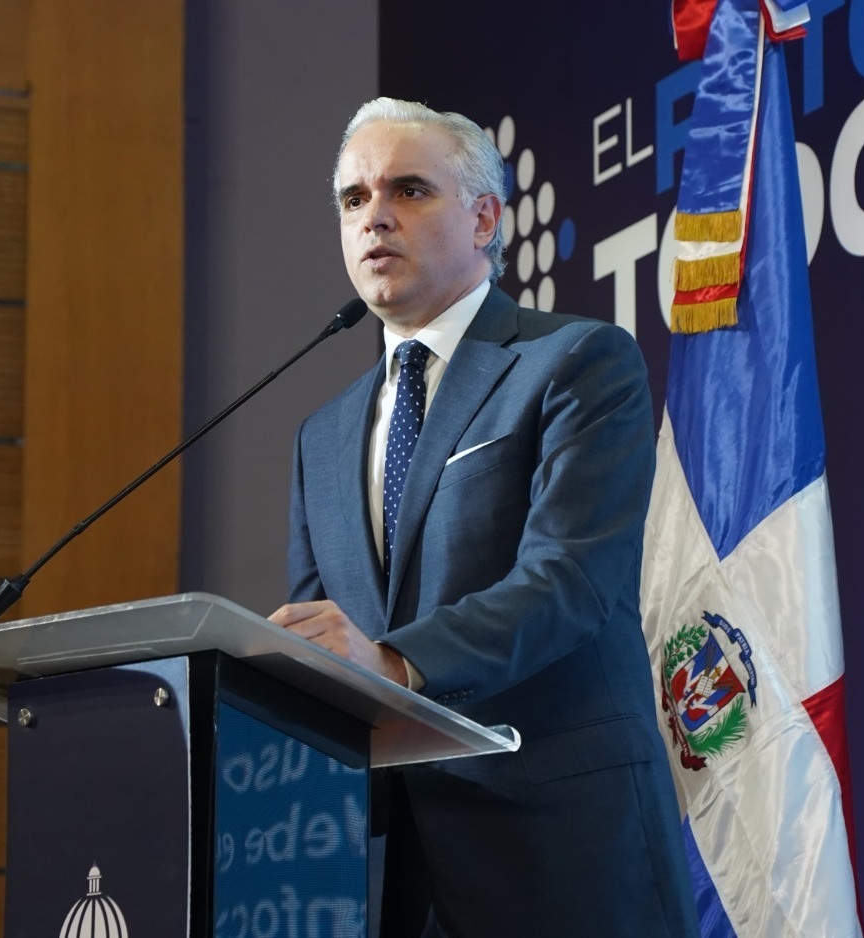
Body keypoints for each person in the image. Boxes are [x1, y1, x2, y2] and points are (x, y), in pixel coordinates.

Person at [268, 97, 697, 938]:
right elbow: (324, 642)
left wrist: (394, 663)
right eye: (353, 199)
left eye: (409, 190)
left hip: (559, 854)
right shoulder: (321, 437)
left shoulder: (575, 362)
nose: (374, 216)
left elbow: (570, 580)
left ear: (485, 219)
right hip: (381, 876)